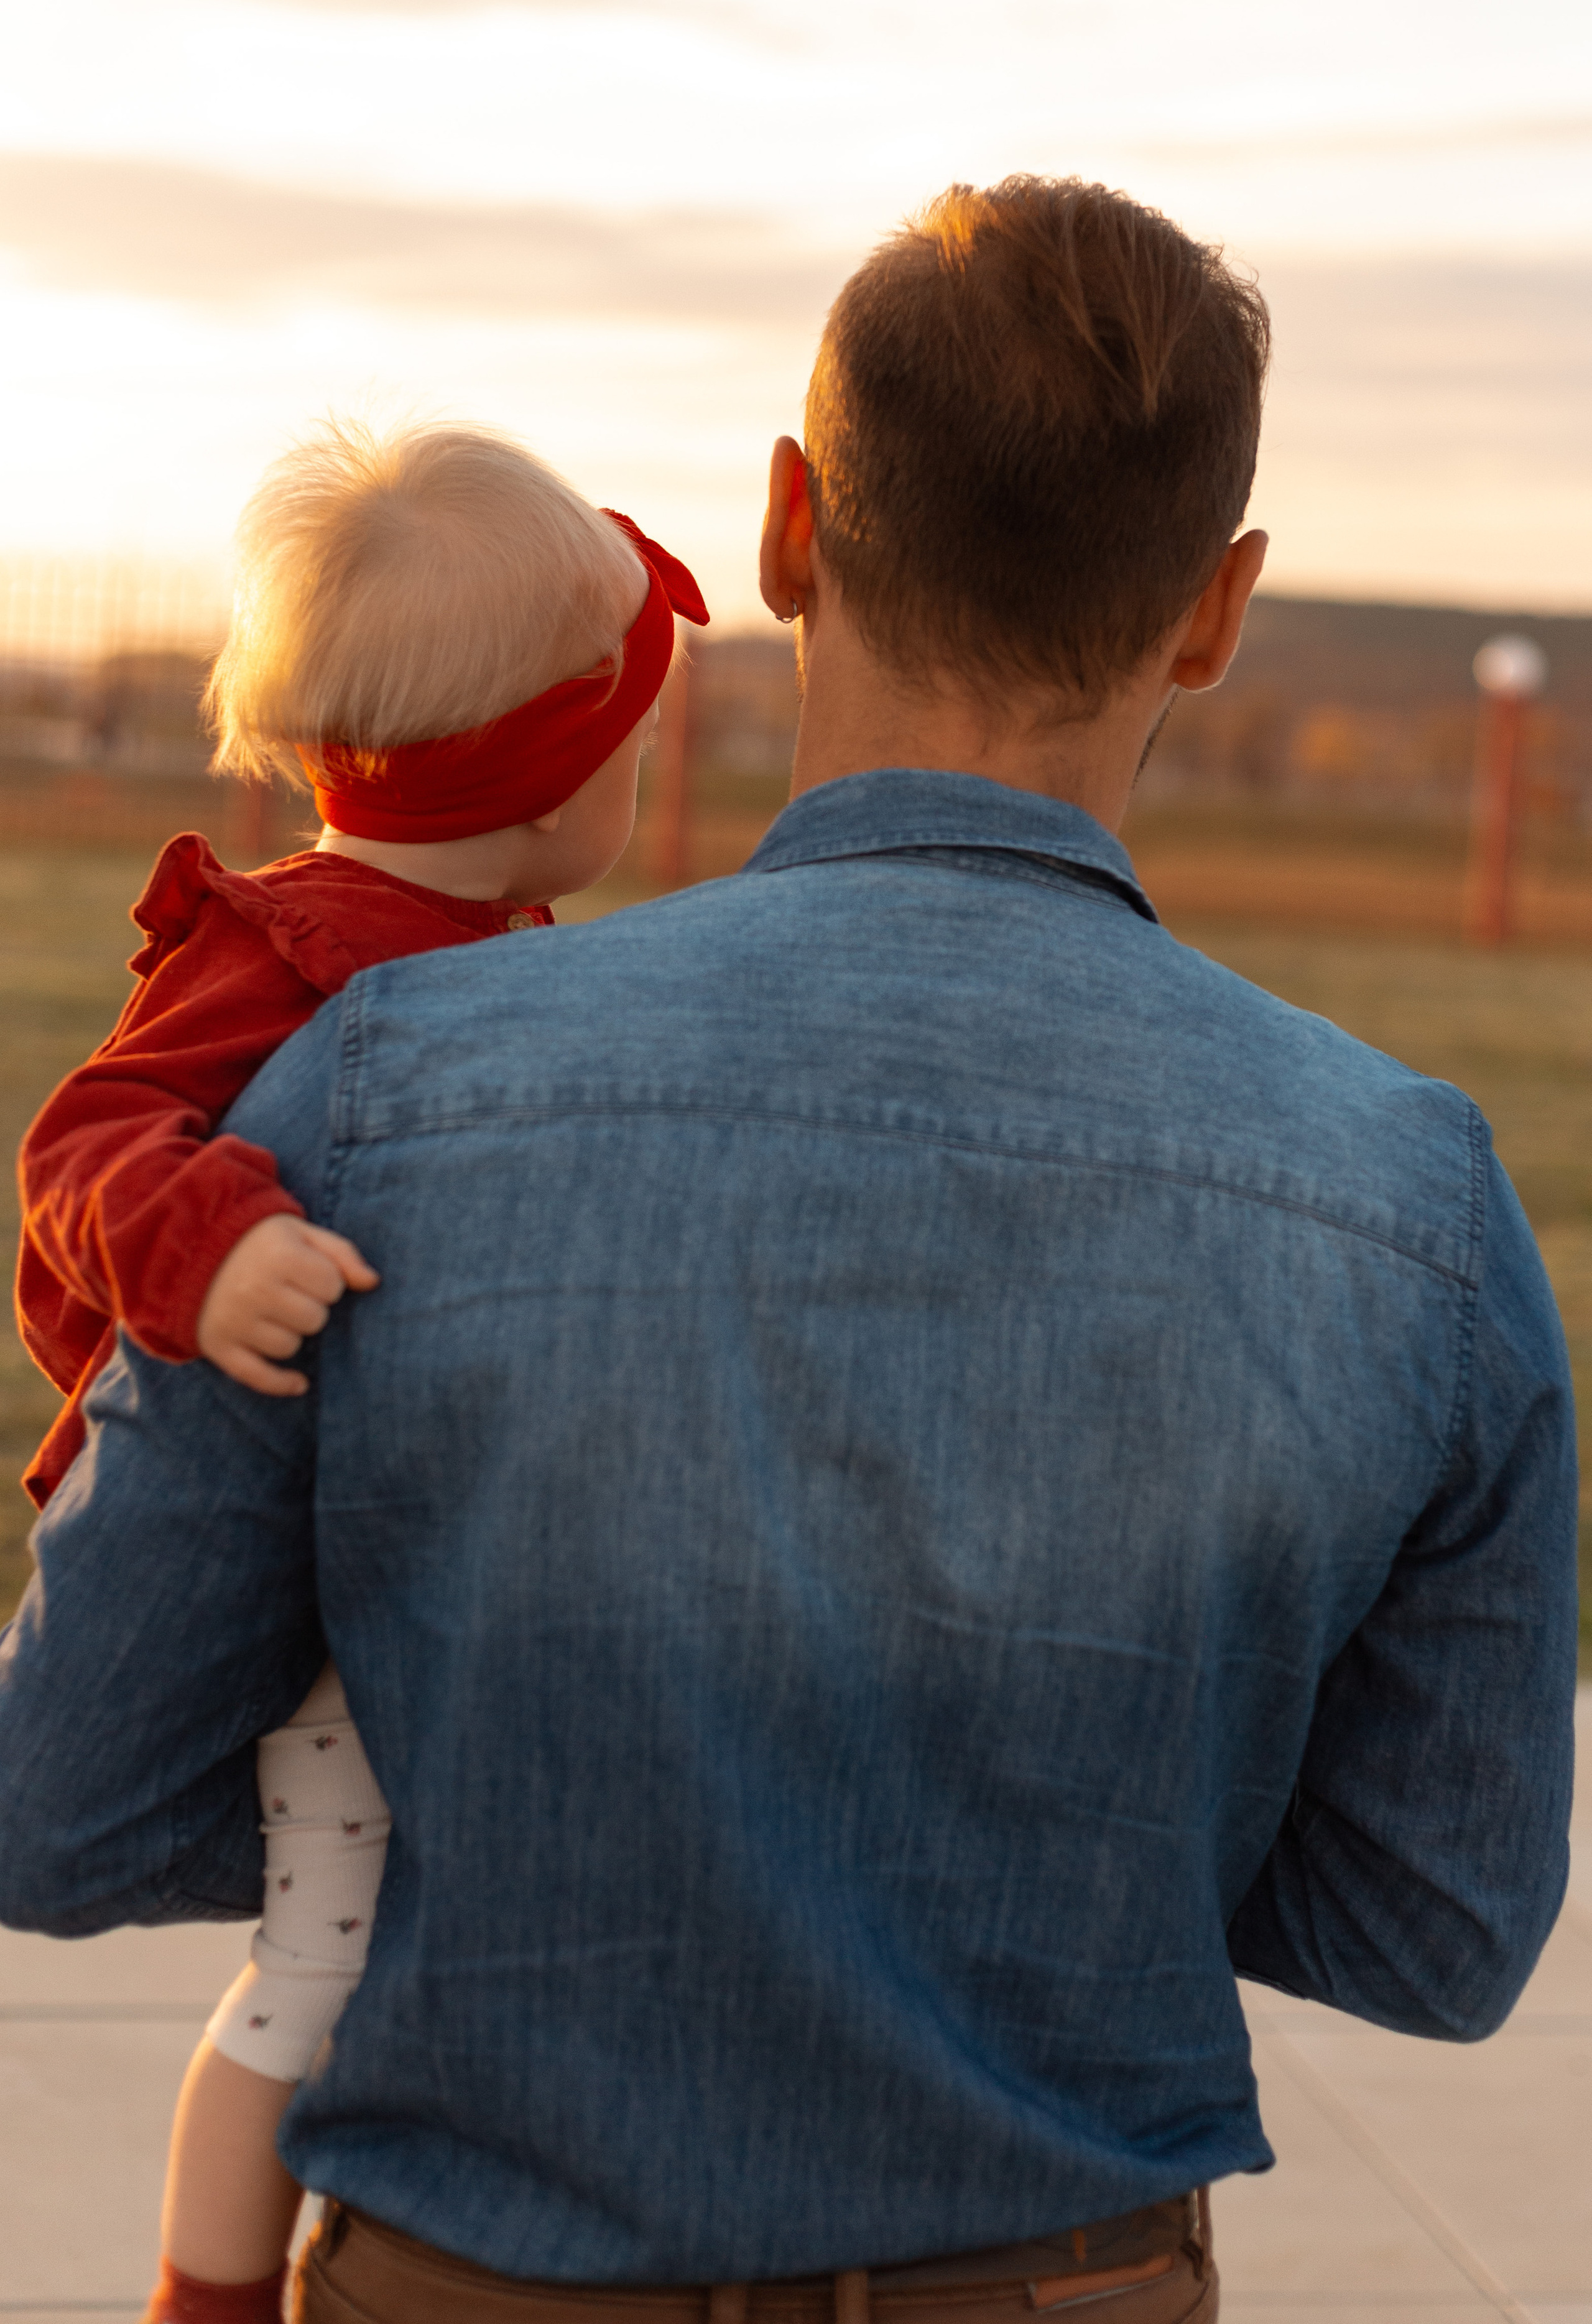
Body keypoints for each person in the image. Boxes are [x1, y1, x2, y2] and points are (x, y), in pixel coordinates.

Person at [0, 175, 1578, 2324]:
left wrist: (512, 1778)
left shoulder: (371, 1095)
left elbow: (64, 1800)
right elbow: (1434, 1936)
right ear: (1216, 612)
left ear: (785, 531)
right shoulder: (1410, 1195)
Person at [10, 417, 708, 2324]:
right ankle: (209, 2293)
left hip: (422, 1520)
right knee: (315, 1967)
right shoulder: (291, 949)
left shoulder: (504, 945)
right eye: (633, 739)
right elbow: (79, 1146)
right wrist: (213, 1233)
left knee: (405, 1934)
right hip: (276, 1552)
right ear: (563, 778)